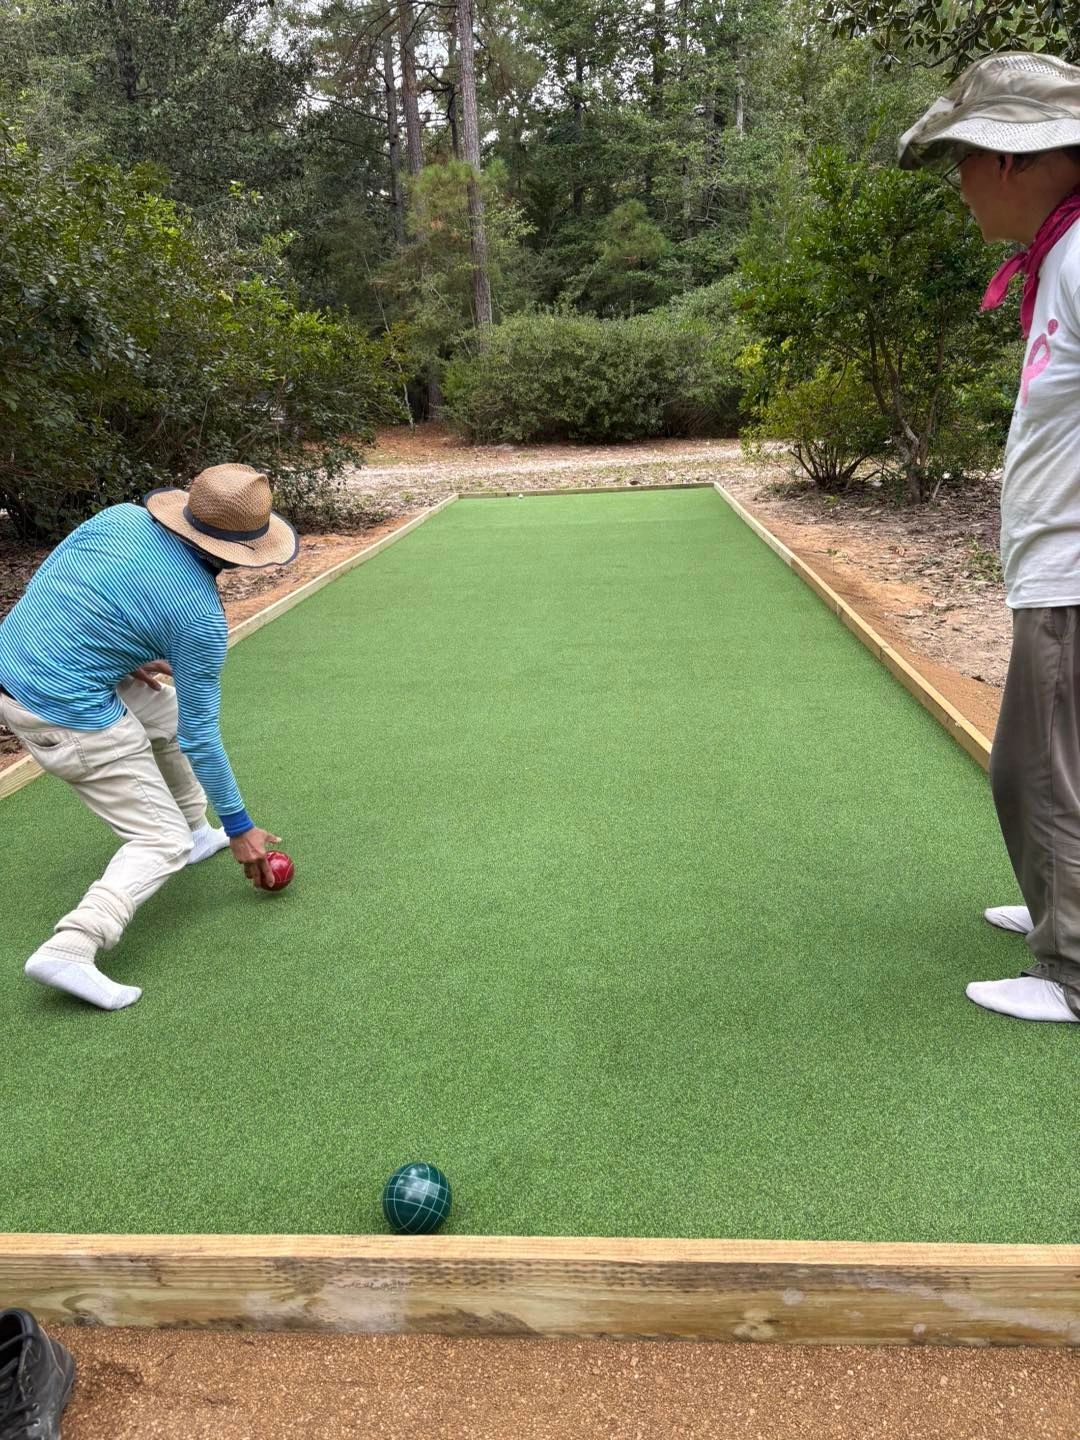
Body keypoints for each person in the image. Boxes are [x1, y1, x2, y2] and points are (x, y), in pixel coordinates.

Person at [899, 51, 1080, 1022]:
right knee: (1032, 765)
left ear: (1011, 160)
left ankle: (1075, 970)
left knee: (1043, 775)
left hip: (1072, 571)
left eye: (963, 160)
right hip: (1052, 568)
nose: (961, 185)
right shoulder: (1062, 253)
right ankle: (1061, 906)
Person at [0, 464, 296, 1011]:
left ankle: (194, 827)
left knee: (165, 709)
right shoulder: (199, 617)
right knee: (159, 842)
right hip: (59, 708)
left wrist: (118, 646)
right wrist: (241, 826)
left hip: (20, 656)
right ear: (241, 552)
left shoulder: (120, 518)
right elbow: (203, 738)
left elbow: (58, 582)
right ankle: (72, 946)